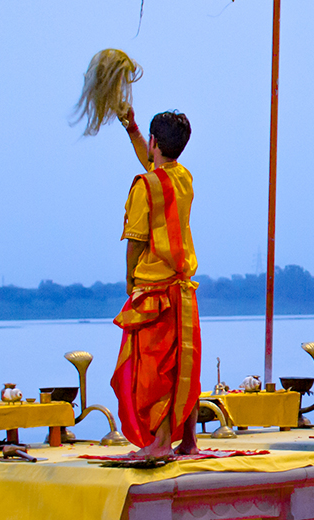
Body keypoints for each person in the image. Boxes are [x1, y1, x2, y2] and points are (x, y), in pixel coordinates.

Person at [111, 111, 202, 458]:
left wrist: (131, 281)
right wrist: (131, 128)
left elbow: (135, 240)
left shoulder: (144, 185)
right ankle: (189, 441)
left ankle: (161, 442)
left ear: (154, 143)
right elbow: (157, 168)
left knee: (155, 368)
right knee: (184, 364)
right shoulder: (183, 178)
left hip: (154, 288)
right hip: (183, 287)